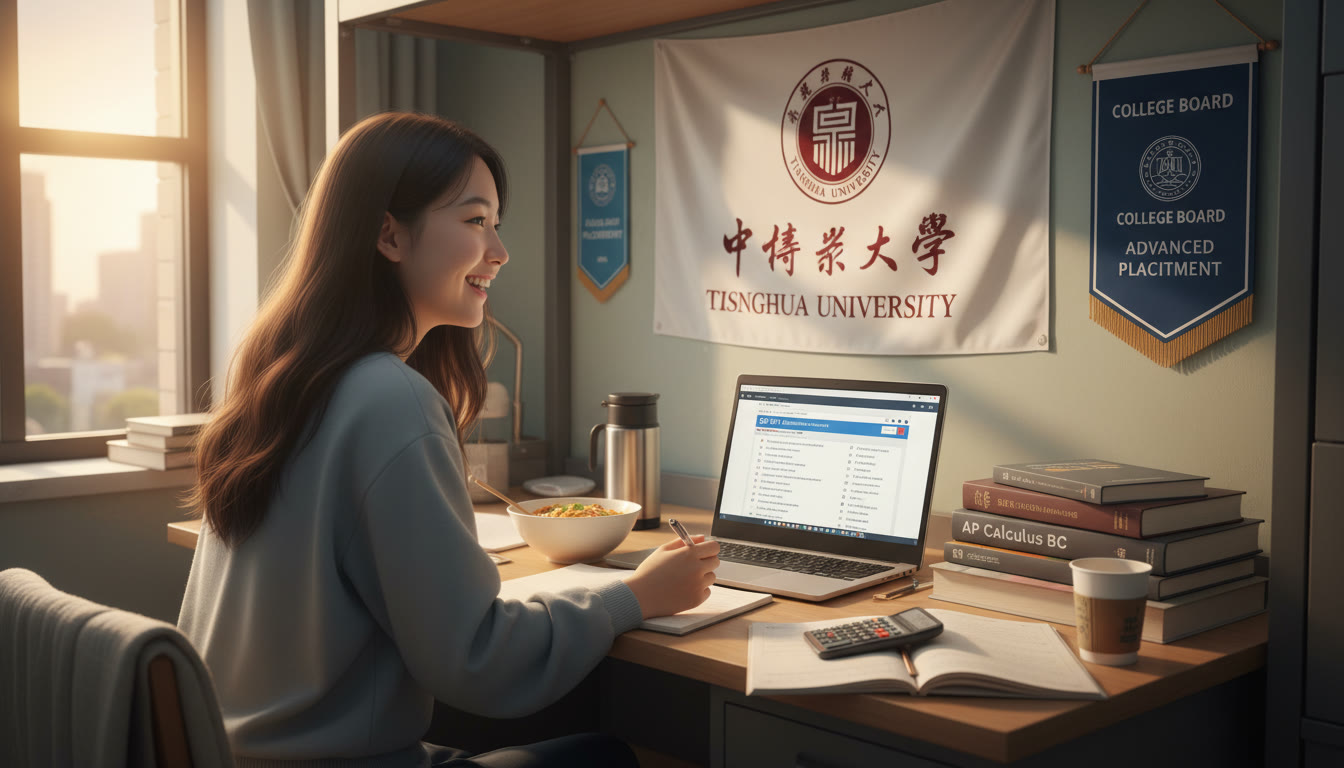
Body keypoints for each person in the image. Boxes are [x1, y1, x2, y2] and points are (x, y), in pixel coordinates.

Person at [178, 112, 720, 768]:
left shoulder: (278, 377)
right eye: (473, 221)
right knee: (613, 754)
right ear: (389, 235)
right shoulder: (388, 399)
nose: (499, 250)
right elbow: (478, 660)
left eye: (496, 223)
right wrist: (637, 595)